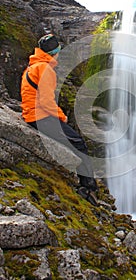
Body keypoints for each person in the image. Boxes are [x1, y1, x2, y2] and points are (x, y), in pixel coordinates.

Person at [20, 33, 98, 206]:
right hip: (41, 117)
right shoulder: (45, 69)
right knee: (78, 142)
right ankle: (88, 187)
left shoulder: (32, 67)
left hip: (31, 114)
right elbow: (46, 101)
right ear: (54, 52)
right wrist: (61, 117)